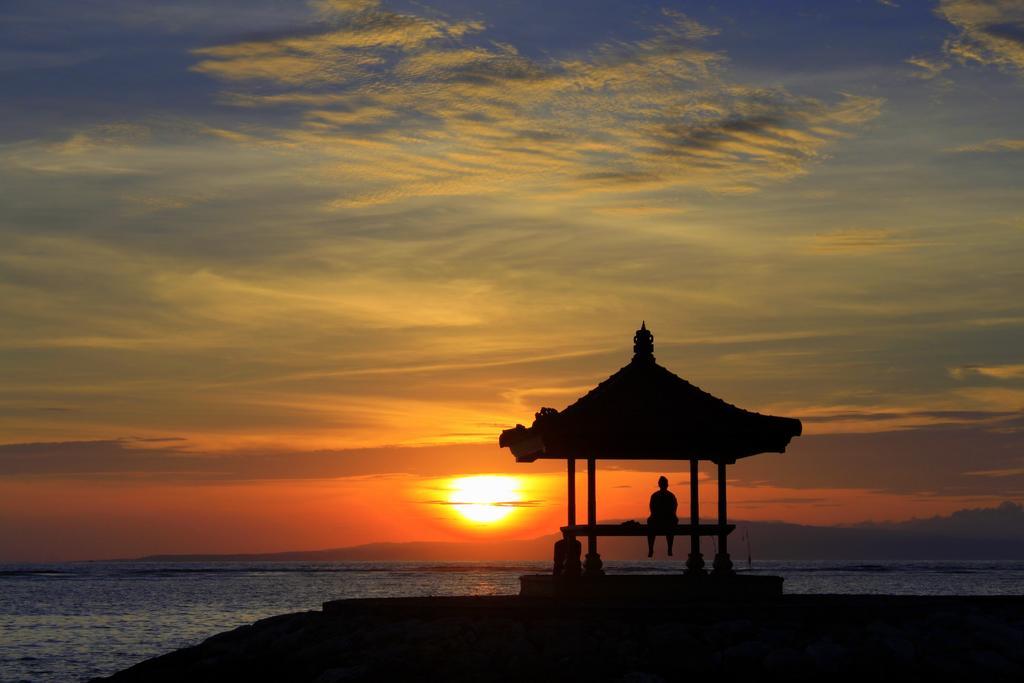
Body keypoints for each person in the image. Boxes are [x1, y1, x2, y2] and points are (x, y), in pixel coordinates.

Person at [647, 475, 678, 557]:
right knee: (671, 527)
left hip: (659, 520)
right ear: (667, 485)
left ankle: (651, 548)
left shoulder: (655, 495)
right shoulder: (671, 495)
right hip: (666, 520)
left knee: (651, 526)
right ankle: (669, 548)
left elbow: (652, 509)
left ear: (659, 484)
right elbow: (674, 509)